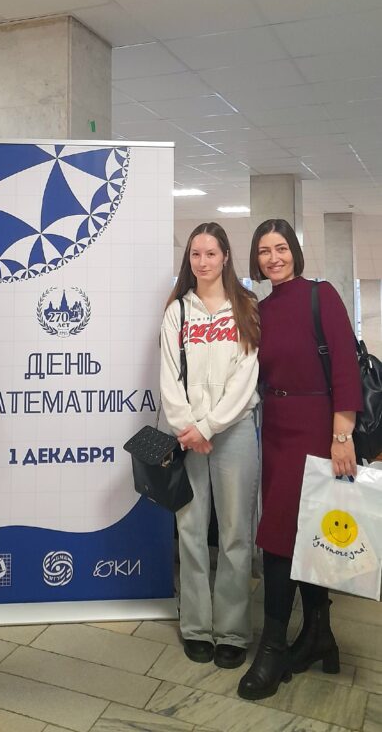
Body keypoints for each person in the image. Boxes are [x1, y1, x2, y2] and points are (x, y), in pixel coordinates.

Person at [238, 219, 362, 701]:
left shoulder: (320, 295)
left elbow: (346, 367)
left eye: (281, 248)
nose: (274, 258)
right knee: (303, 532)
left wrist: (341, 435)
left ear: (295, 251)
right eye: (264, 251)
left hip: (318, 427)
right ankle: (317, 634)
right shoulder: (260, 309)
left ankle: (272, 647)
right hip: (276, 428)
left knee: (278, 537)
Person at [160, 222, 260, 669]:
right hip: (188, 436)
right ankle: (197, 627)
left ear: (225, 257)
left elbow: (246, 377)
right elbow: (169, 376)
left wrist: (210, 426)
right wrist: (190, 427)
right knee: (191, 531)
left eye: (211, 254)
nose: (203, 262)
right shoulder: (177, 312)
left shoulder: (245, 307)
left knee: (236, 534)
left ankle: (233, 632)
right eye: (195, 254)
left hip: (233, 431)